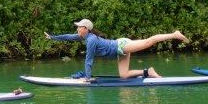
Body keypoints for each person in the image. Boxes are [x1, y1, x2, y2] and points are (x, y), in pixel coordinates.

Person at [44, 18, 190, 80]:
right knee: (124, 76)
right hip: (119, 52)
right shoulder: (85, 37)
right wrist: (52, 37)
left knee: (147, 42)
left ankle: (174, 34)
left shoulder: (91, 40)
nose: (76, 29)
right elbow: (69, 37)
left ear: (86, 29)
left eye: (79, 27)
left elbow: (89, 61)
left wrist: (87, 79)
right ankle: (148, 72)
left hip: (121, 46)